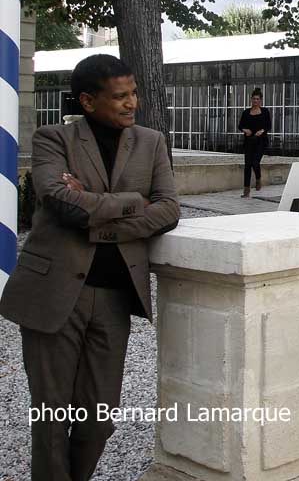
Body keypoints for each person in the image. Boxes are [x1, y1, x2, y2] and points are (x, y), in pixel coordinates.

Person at [0, 54, 181, 480]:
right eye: (119, 96)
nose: (131, 103)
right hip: (53, 292)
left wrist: (96, 214)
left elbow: (170, 209)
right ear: (87, 100)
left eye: (133, 93)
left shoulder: (151, 142)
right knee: (51, 416)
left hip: (115, 297)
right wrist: (136, 202)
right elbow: (62, 203)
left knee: (99, 417)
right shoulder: (53, 139)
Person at [238, 87, 271, 197]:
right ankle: (246, 190)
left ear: (260, 100)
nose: (255, 101)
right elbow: (240, 126)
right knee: (247, 165)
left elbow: (268, 126)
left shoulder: (265, 112)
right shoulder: (246, 112)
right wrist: (245, 130)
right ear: (251, 99)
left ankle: (258, 179)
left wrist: (262, 131)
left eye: (257, 99)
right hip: (249, 142)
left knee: (255, 163)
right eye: (253, 99)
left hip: (261, 141)